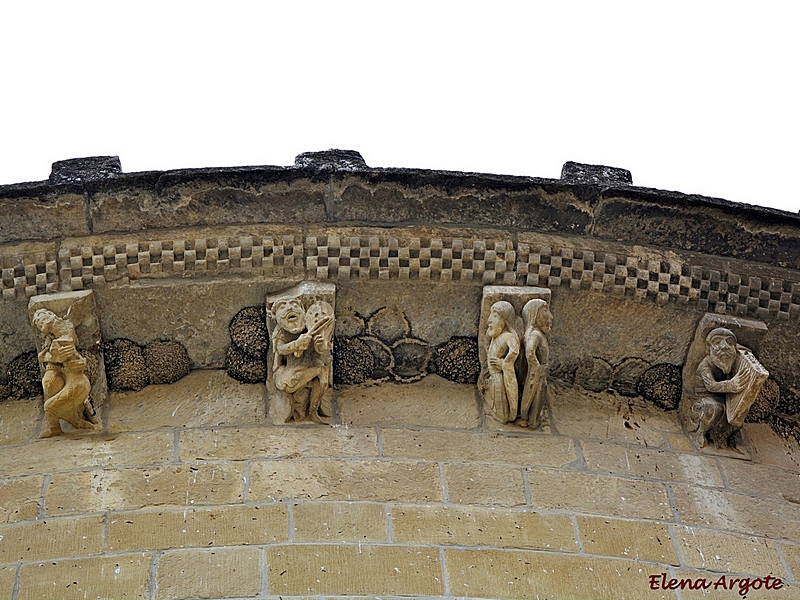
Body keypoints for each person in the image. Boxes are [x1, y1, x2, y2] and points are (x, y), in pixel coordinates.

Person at [688, 327, 767, 448]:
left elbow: (742, 352)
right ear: (708, 348)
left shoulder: (728, 361)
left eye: (729, 343)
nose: (724, 347)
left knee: (736, 417)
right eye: (717, 342)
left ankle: (722, 438)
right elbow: (711, 386)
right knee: (712, 408)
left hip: (725, 398)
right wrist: (731, 384)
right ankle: (701, 433)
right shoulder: (705, 365)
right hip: (704, 400)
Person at [31, 308, 97, 438]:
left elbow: (77, 358)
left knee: (49, 407)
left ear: (51, 314)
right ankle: (76, 418)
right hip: (63, 375)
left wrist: (76, 361)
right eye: (38, 323)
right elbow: (45, 356)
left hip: (77, 381)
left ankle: (60, 425)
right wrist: (54, 359)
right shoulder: (51, 340)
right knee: (51, 384)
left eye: (41, 317)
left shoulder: (67, 329)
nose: (40, 321)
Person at [270, 298, 334, 423]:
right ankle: (319, 372)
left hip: (311, 364)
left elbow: (321, 349)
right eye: (282, 306)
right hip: (290, 369)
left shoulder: (310, 324)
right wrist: (296, 344)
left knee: (320, 380)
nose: (289, 308)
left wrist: (321, 344)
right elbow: (280, 349)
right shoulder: (280, 332)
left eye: (294, 304)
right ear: (276, 318)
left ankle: (313, 411)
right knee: (287, 384)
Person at [481, 301, 520, 423]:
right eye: (490, 314)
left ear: (505, 320)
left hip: (498, 377)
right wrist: (488, 353)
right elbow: (485, 342)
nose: (489, 320)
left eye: (495, 315)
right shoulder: (493, 334)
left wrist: (503, 363)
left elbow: (514, 351)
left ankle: (503, 415)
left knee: (501, 409)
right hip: (491, 376)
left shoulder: (508, 336)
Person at [518, 299, 552, 428]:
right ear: (534, 314)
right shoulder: (535, 334)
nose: (550, 315)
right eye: (545, 310)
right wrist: (537, 366)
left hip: (539, 371)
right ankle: (530, 419)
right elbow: (530, 351)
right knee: (536, 393)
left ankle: (532, 418)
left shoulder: (537, 334)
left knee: (538, 393)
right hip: (538, 371)